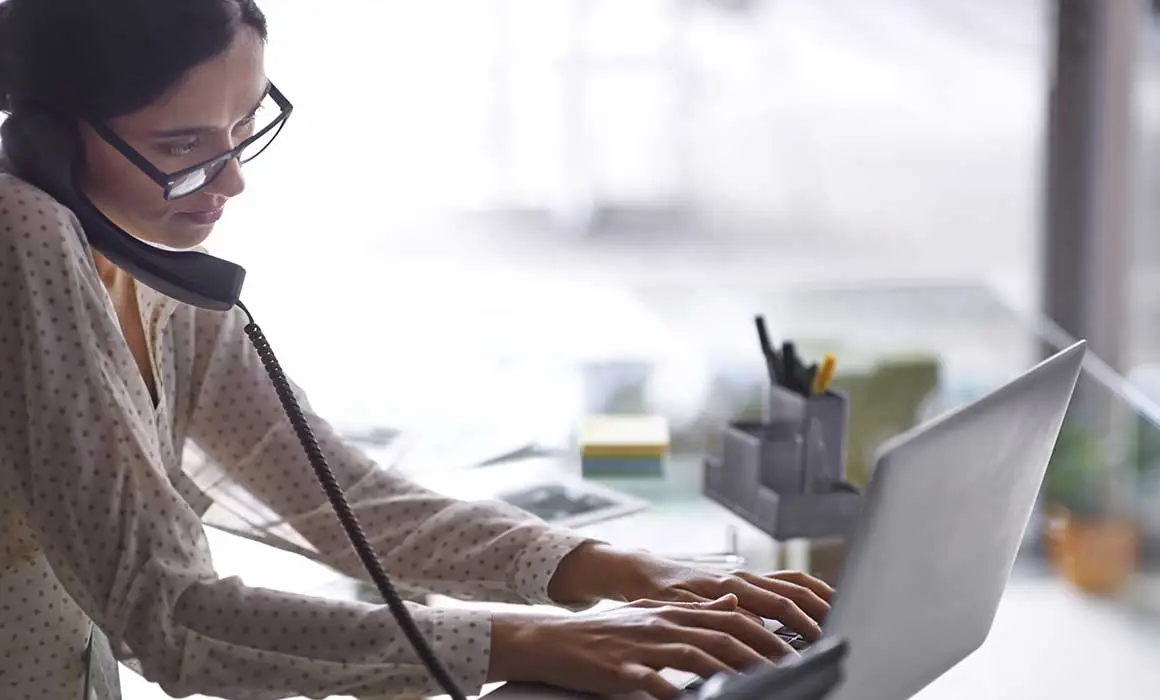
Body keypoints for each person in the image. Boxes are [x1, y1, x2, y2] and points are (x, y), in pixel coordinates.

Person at [0, 1, 834, 698]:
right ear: (43, 139)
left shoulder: (143, 247)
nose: (231, 181)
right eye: (181, 148)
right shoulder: (23, 233)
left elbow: (333, 493)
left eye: (246, 125)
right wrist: (522, 644)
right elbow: (168, 611)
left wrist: (620, 570)